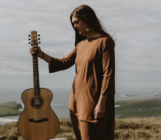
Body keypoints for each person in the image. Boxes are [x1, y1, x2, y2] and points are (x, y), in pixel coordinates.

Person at [30, 4, 115, 140]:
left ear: (87, 19)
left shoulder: (104, 42)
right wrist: (41, 54)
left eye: (76, 22)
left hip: (93, 101)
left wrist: (101, 102)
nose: (74, 26)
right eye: (73, 23)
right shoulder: (80, 45)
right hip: (75, 101)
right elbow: (64, 62)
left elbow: (108, 74)